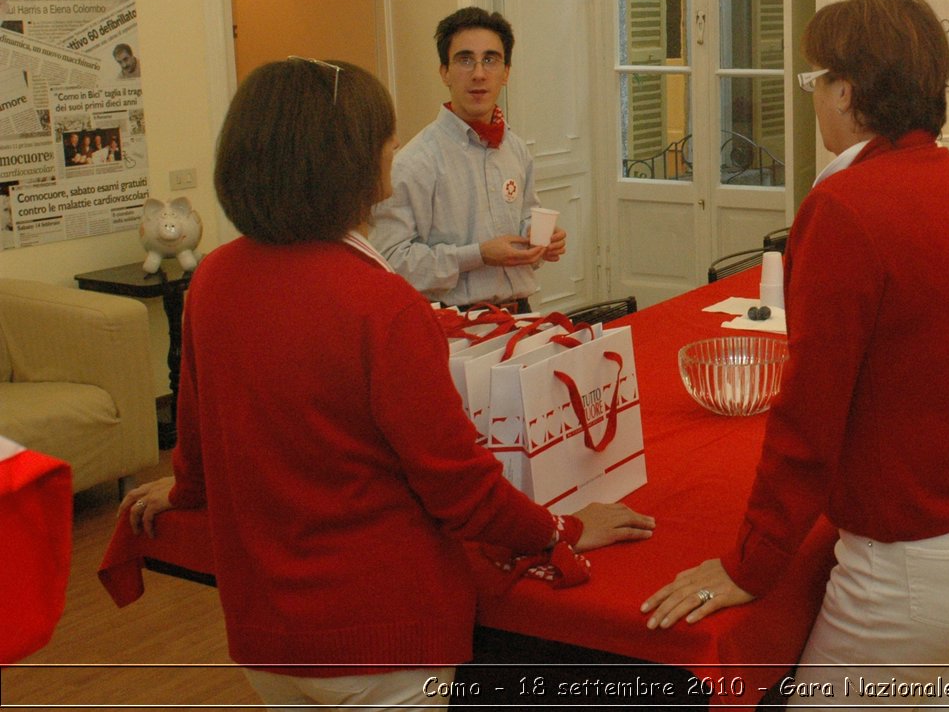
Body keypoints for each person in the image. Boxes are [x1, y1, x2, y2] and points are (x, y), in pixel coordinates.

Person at [118, 58, 654, 709]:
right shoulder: (381, 306)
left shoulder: (213, 281)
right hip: (377, 637)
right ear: (346, 159)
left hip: (266, 633)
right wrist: (562, 532)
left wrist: (180, 488)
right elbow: (459, 487)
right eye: (385, 137)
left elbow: (200, 447)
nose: (394, 151)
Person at [641, 0, 949, 705]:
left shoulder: (845, 207)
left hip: (921, 550)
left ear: (848, 90)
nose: (814, 98)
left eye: (816, 81)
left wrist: (751, 565)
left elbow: (809, 417)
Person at [371, 7, 566, 313]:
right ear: (444, 72)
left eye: (490, 60)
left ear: (506, 73)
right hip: (455, 326)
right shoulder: (413, 163)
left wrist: (541, 241)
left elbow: (527, 216)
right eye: (465, 60)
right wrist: (478, 255)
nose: (478, 73)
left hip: (522, 314)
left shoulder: (515, 148)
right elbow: (391, 262)